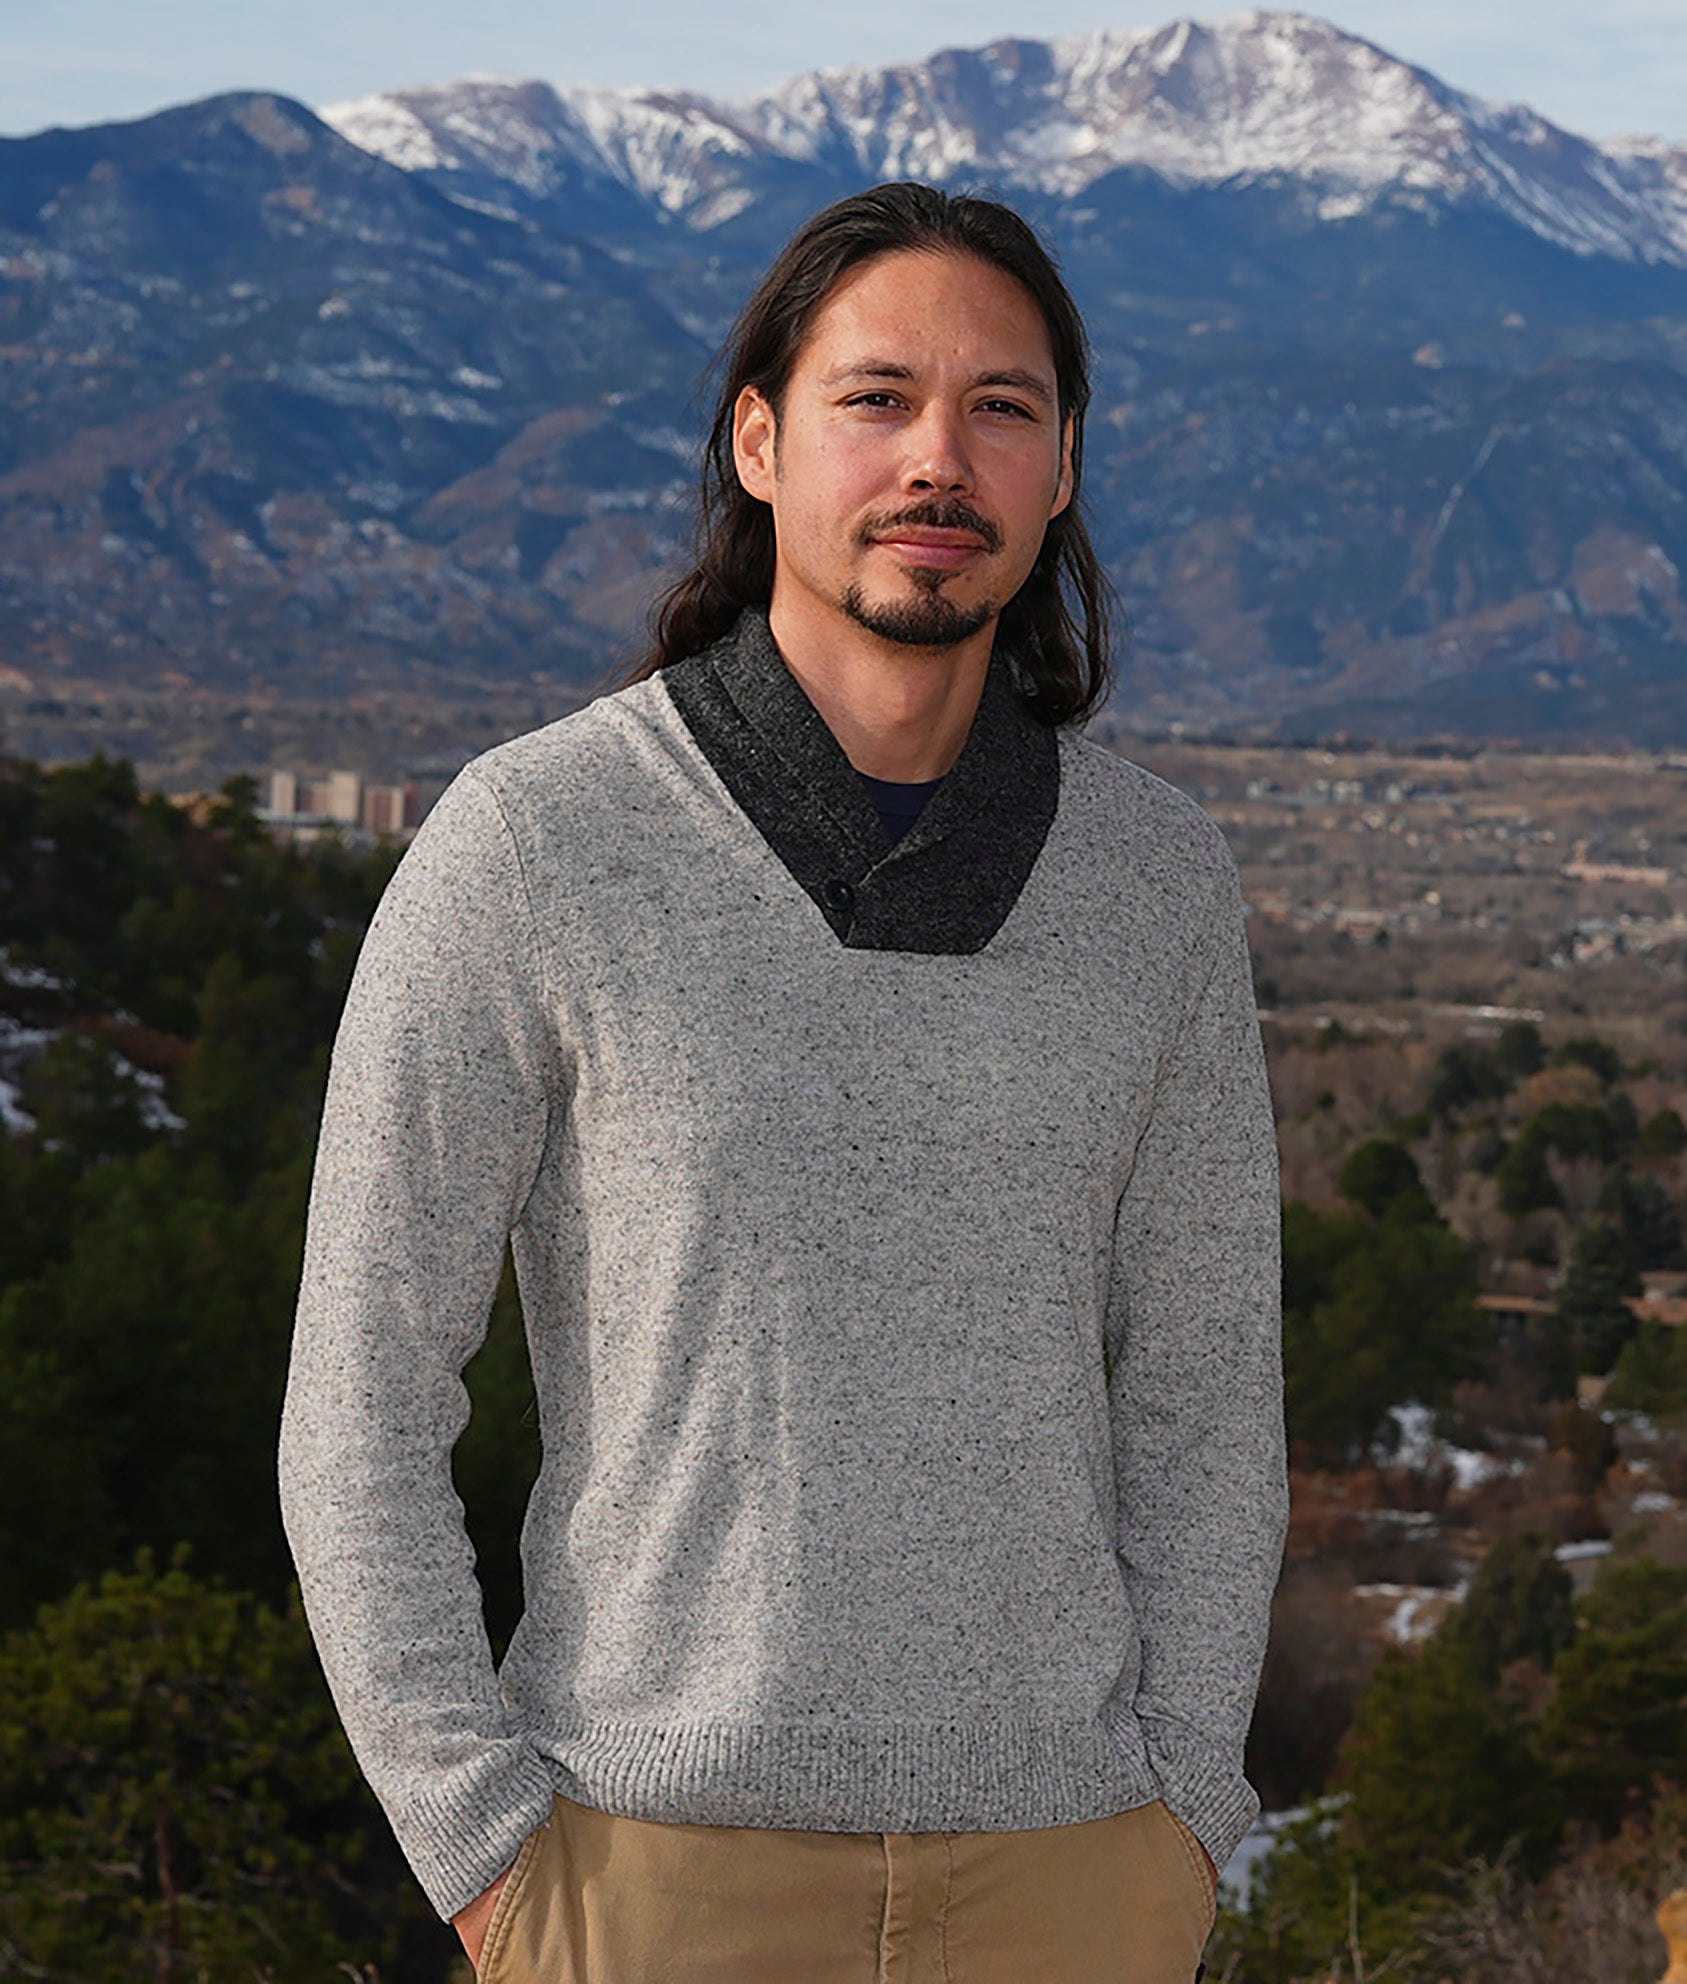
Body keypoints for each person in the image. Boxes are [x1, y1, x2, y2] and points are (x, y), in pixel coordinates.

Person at [277, 182, 1287, 1983]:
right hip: (645, 1871)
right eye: (875, 398)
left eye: (1002, 406)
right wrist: (483, 1844)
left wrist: (1185, 1815)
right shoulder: (537, 842)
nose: (938, 460)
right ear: (760, 440)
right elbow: (358, 1388)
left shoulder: (1157, 884)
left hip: (1073, 1875)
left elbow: (1208, 1395)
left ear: (1063, 465)